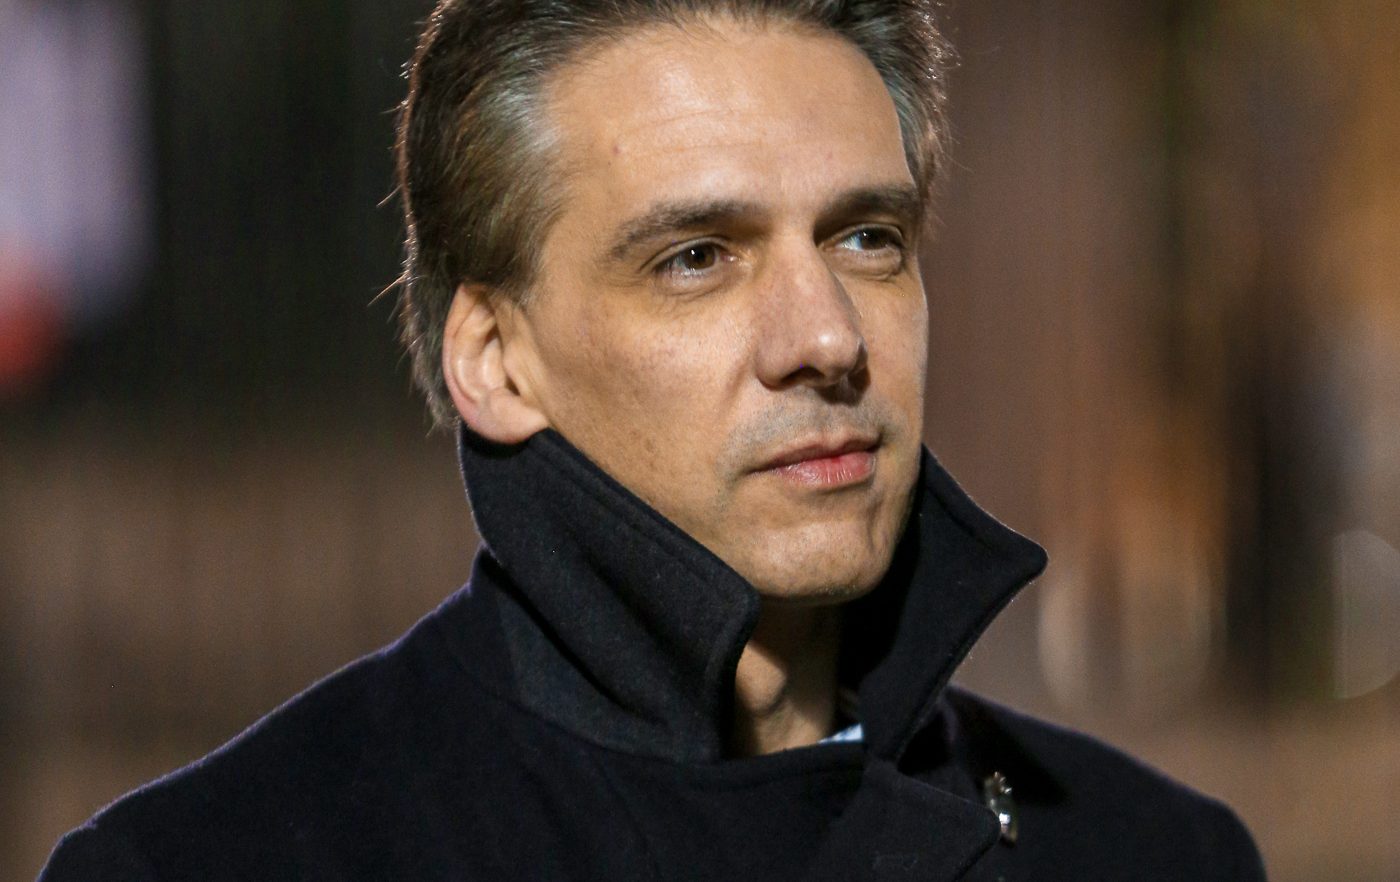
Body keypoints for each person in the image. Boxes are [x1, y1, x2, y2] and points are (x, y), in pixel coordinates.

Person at [41, 1, 1267, 879]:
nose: (826, 337)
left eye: (865, 239)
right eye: (695, 258)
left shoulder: (1147, 851)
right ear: (494, 360)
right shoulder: (218, 859)